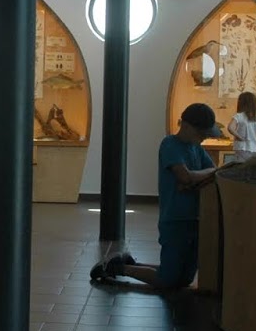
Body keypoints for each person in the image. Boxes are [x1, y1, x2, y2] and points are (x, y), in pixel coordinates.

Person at [91, 102, 220, 291]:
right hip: (175, 219)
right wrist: (196, 177)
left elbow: (214, 172)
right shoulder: (170, 144)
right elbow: (185, 176)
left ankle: (129, 264)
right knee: (168, 280)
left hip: (195, 219)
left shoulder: (197, 149)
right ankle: (116, 268)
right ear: (186, 126)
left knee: (183, 279)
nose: (204, 138)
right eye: (201, 133)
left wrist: (197, 177)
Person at [228, 91, 256, 163]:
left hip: (241, 148)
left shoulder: (239, 116)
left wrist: (239, 137)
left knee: (241, 168)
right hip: (254, 149)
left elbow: (230, 128)